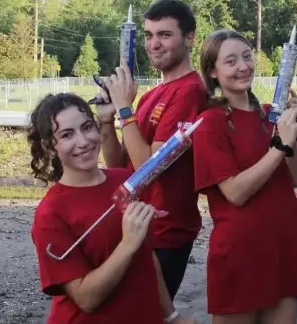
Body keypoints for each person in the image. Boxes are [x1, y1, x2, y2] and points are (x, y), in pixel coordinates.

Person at [28, 93, 196, 324]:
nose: (83, 141)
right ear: (49, 147)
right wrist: (127, 244)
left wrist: (171, 315)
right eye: (67, 135)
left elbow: (147, 258)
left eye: (87, 127)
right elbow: (86, 299)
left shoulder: (126, 181)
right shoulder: (50, 213)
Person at [191, 29, 297, 324]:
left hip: (282, 246)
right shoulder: (209, 123)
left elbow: (295, 178)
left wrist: (292, 132)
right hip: (240, 254)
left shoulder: (268, 115)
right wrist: (279, 146)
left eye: (247, 57)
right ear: (212, 71)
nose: (243, 67)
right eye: (231, 61)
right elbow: (235, 193)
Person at [97, 0, 207, 300]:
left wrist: (124, 108)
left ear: (189, 38)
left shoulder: (190, 92)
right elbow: (120, 164)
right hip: (133, 225)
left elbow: (149, 165)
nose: (153, 44)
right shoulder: (151, 95)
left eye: (164, 34)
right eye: (148, 35)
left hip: (163, 232)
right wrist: (107, 121)